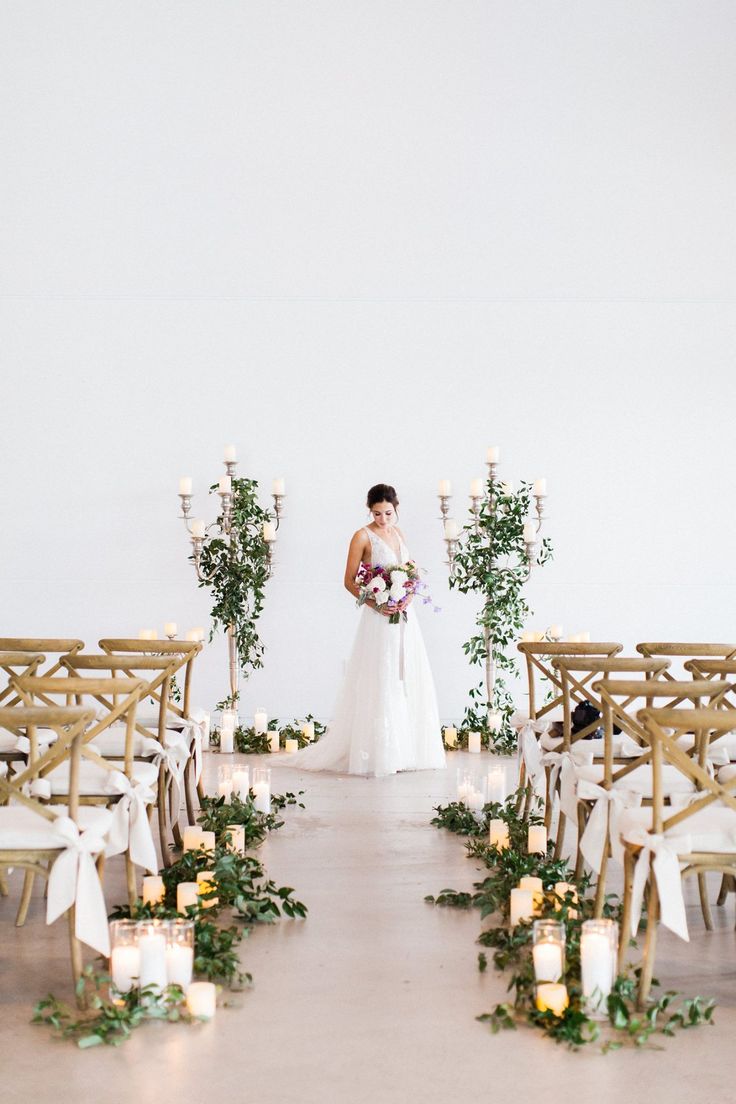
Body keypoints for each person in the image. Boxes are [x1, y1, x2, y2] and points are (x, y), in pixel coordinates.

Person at [293, 483, 446, 777]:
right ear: (369, 510)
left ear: (396, 509)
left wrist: (409, 594)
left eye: (388, 513)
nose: (383, 519)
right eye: (377, 514)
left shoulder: (398, 533)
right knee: (381, 676)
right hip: (378, 618)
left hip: (405, 616)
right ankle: (378, 753)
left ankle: (407, 750)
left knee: (406, 675)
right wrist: (377, 604)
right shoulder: (362, 537)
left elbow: (410, 570)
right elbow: (350, 581)